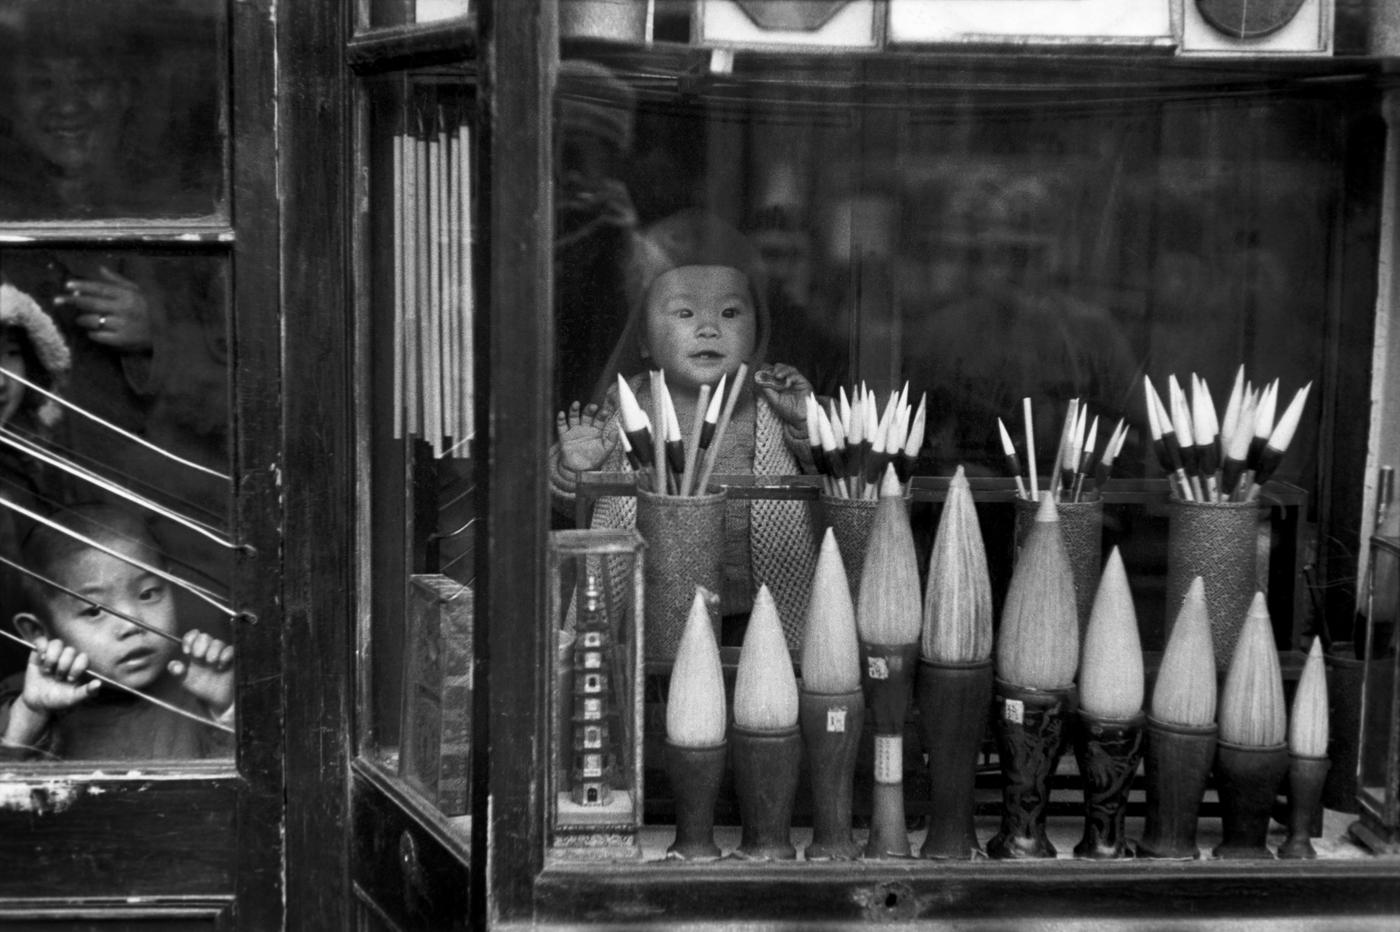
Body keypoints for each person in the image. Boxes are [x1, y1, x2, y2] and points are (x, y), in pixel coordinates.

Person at [550, 208, 819, 644]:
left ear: (759, 331)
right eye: (684, 314)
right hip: (647, 603)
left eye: (730, 313)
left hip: (754, 610)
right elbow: (575, 509)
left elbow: (830, 473)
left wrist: (806, 423)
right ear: (642, 340)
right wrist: (577, 469)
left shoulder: (771, 400)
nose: (709, 328)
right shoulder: (627, 405)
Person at [0, 504, 233, 760]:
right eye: (94, 611)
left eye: (148, 594)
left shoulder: (202, 688)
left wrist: (226, 710)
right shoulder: (28, 701)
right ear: (38, 632)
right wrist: (31, 716)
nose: (132, 624)